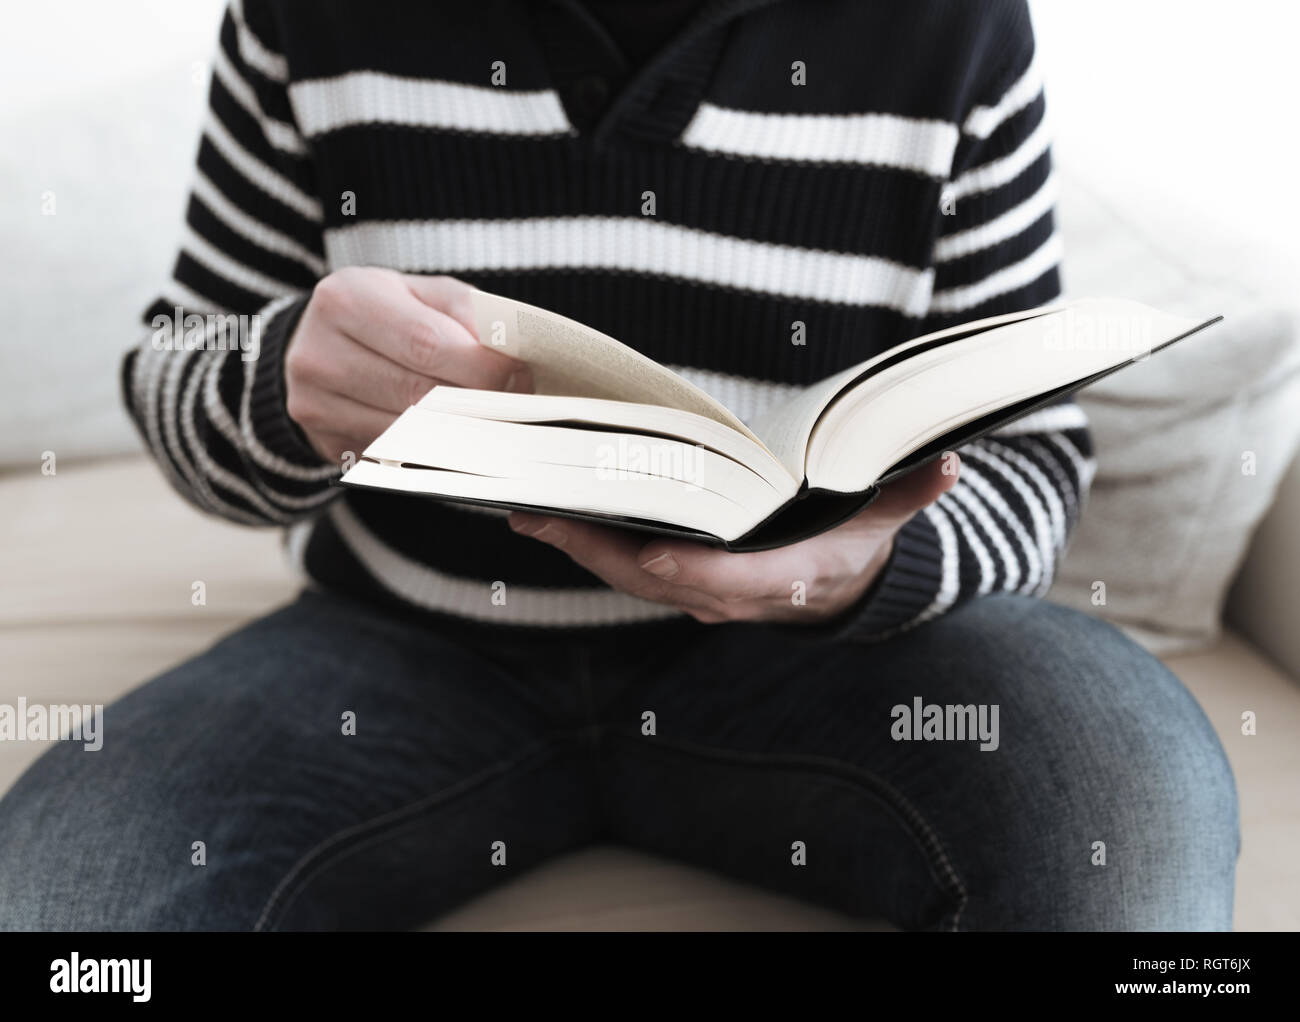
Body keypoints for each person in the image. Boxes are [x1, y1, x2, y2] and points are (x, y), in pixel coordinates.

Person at [0, 0, 1237, 931]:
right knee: (57, 907)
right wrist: (281, 384)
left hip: (835, 660)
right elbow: (180, 367)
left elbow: (1031, 455)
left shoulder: (953, 27)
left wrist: (864, 569)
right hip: (404, 645)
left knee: (1138, 829)